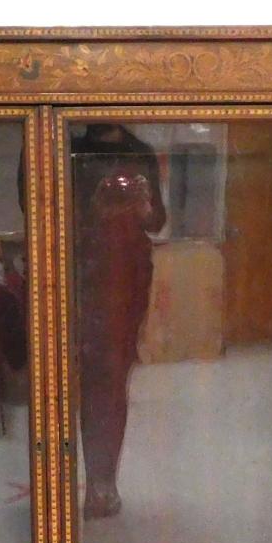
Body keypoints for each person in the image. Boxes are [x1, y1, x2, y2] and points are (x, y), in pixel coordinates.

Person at [72, 124, 167, 519]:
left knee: (111, 379)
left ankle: (102, 480)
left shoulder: (139, 152)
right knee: (77, 380)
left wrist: (142, 207)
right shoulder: (67, 148)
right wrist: (95, 209)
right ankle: (76, 480)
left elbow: (157, 221)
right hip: (80, 276)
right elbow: (40, 212)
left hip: (126, 280)